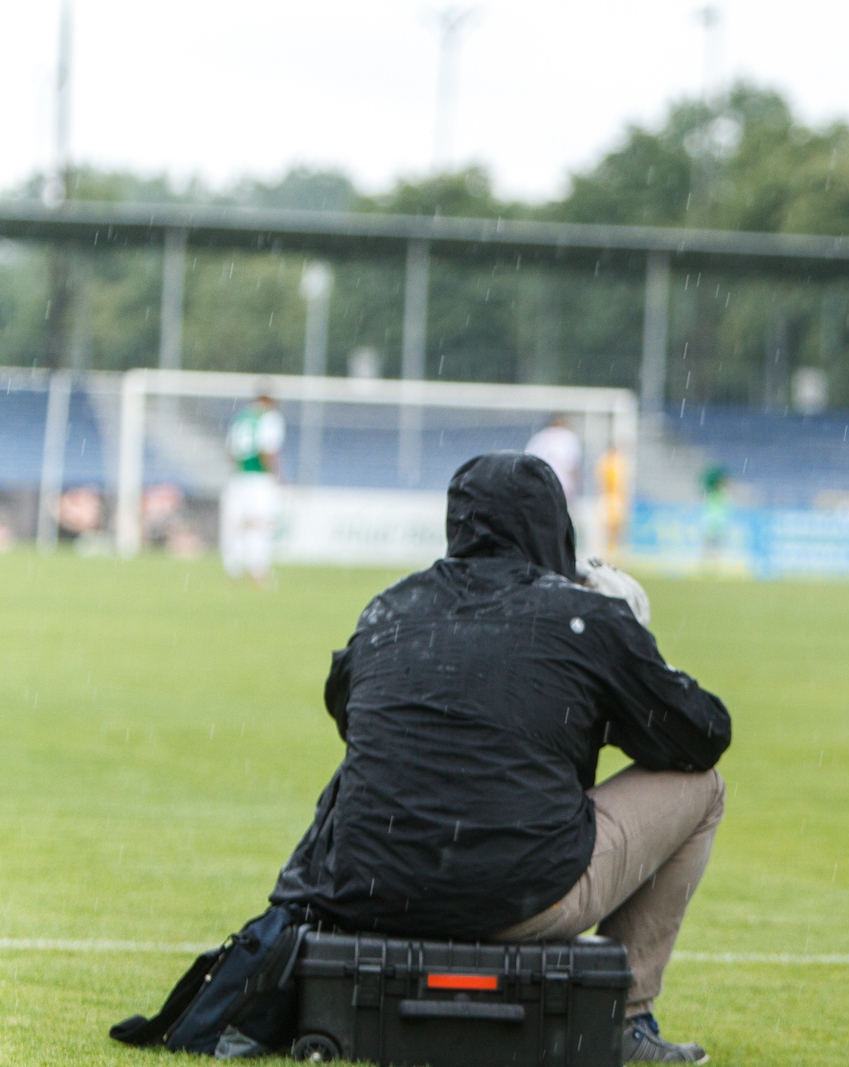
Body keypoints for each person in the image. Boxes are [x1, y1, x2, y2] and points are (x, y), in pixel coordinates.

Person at [271, 452, 730, 1064]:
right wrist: (634, 641)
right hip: (521, 891)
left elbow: (349, 716)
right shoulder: (585, 617)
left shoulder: (387, 608)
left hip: (374, 889)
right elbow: (700, 737)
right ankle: (628, 1017)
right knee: (704, 787)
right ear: (554, 525)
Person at [221, 392, 285, 586]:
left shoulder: (241, 417)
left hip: (239, 476)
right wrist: (276, 474)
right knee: (260, 523)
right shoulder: (268, 417)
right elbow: (268, 449)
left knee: (236, 523)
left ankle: (233, 566)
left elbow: (230, 451)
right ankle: (258, 568)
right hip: (259, 477)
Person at [526, 415, 583, 502]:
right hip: (563, 485)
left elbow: (528, 461)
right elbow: (573, 466)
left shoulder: (539, 437)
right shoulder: (568, 437)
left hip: (542, 483)